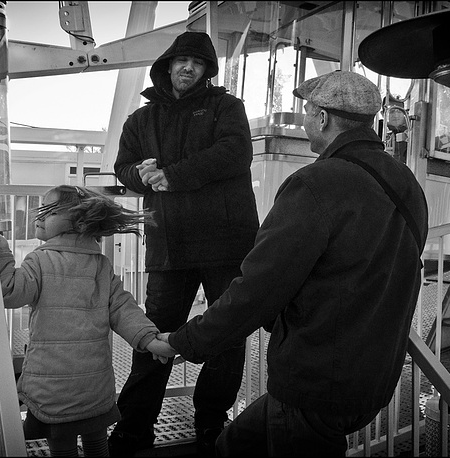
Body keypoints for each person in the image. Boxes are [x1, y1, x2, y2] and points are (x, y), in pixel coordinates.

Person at [158, 70, 429, 456]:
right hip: (372, 379)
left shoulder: (315, 183)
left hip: (315, 384)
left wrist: (183, 341)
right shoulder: (406, 183)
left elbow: (257, 289)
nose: (304, 119)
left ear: (322, 118)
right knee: (233, 445)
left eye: (307, 111)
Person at [109, 31, 260, 456]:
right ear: (168, 65)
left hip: (226, 244)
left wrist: (173, 175)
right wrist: (141, 174)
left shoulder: (226, 108)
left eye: (197, 62)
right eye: (181, 61)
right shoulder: (140, 119)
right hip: (168, 244)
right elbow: (123, 167)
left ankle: (212, 422)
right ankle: (134, 427)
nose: (188, 68)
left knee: (228, 337)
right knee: (155, 336)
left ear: (207, 70)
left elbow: (235, 153)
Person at [0, 185, 174, 457]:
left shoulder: (40, 261)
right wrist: (149, 338)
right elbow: (123, 308)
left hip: (54, 386)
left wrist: (1, 248)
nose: (39, 217)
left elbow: (10, 292)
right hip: (93, 385)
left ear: (78, 221)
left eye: (50, 211)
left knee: (62, 447)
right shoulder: (100, 265)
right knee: (96, 444)